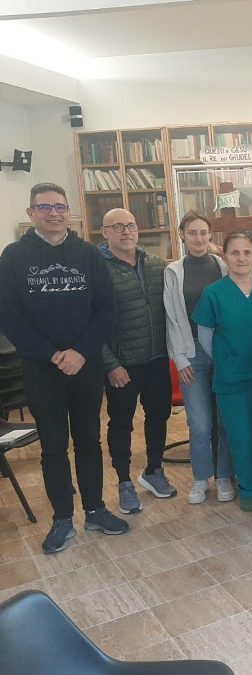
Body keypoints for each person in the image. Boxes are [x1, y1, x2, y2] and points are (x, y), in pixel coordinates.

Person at [0, 183, 128, 553]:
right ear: (31, 213)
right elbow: (9, 316)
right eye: (44, 207)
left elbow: (106, 310)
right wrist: (53, 355)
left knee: (89, 440)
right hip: (42, 370)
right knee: (53, 447)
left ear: (68, 212)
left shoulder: (88, 254)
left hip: (85, 366)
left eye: (59, 206)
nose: (53, 213)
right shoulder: (13, 256)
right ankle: (62, 519)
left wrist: (81, 352)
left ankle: (95, 510)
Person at [193, 232, 252, 512]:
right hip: (232, 378)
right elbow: (205, 336)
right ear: (225, 257)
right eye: (235, 253)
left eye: (247, 252)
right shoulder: (214, 293)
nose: (242, 258)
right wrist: (228, 358)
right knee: (241, 436)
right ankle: (248, 487)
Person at [100, 208, 175, 513]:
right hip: (122, 364)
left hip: (157, 358)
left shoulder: (156, 264)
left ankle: (154, 470)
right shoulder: (97, 270)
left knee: (158, 416)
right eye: (117, 226)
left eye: (130, 225)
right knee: (121, 423)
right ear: (105, 233)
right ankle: (123, 482)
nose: (126, 231)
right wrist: (110, 364)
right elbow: (91, 323)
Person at [164, 212, 235, 505]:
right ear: (182, 234)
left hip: (221, 351)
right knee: (200, 424)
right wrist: (179, 358)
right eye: (192, 232)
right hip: (191, 353)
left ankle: (224, 475)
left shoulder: (223, 266)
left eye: (203, 232)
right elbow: (171, 317)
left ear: (210, 235)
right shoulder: (173, 271)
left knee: (224, 420)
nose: (198, 238)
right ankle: (201, 477)